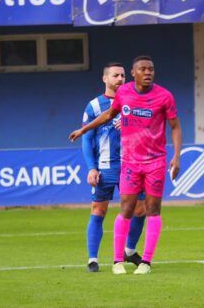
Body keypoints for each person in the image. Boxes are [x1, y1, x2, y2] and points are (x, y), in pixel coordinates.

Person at [70, 55, 181, 275]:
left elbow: (174, 126)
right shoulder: (112, 98)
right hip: (117, 164)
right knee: (111, 209)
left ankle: (138, 256)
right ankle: (102, 259)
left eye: (151, 69)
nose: (148, 72)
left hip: (150, 161)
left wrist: (176, 156)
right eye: (143, 69)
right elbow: (102, 122)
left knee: (145, 210)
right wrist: (85, 134)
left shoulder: (163, 96)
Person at [81, 62, 146, 272]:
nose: (120, 79)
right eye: (115, 75)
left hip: (132, 166)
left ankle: (128, 250)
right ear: (105, 79)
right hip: (105, 167)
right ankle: (93, 259)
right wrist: (91, 167)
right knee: (99, 210)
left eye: (123, 75)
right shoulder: (94, 106)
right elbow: (87, 139)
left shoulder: (135, 102)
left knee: (139, 210)